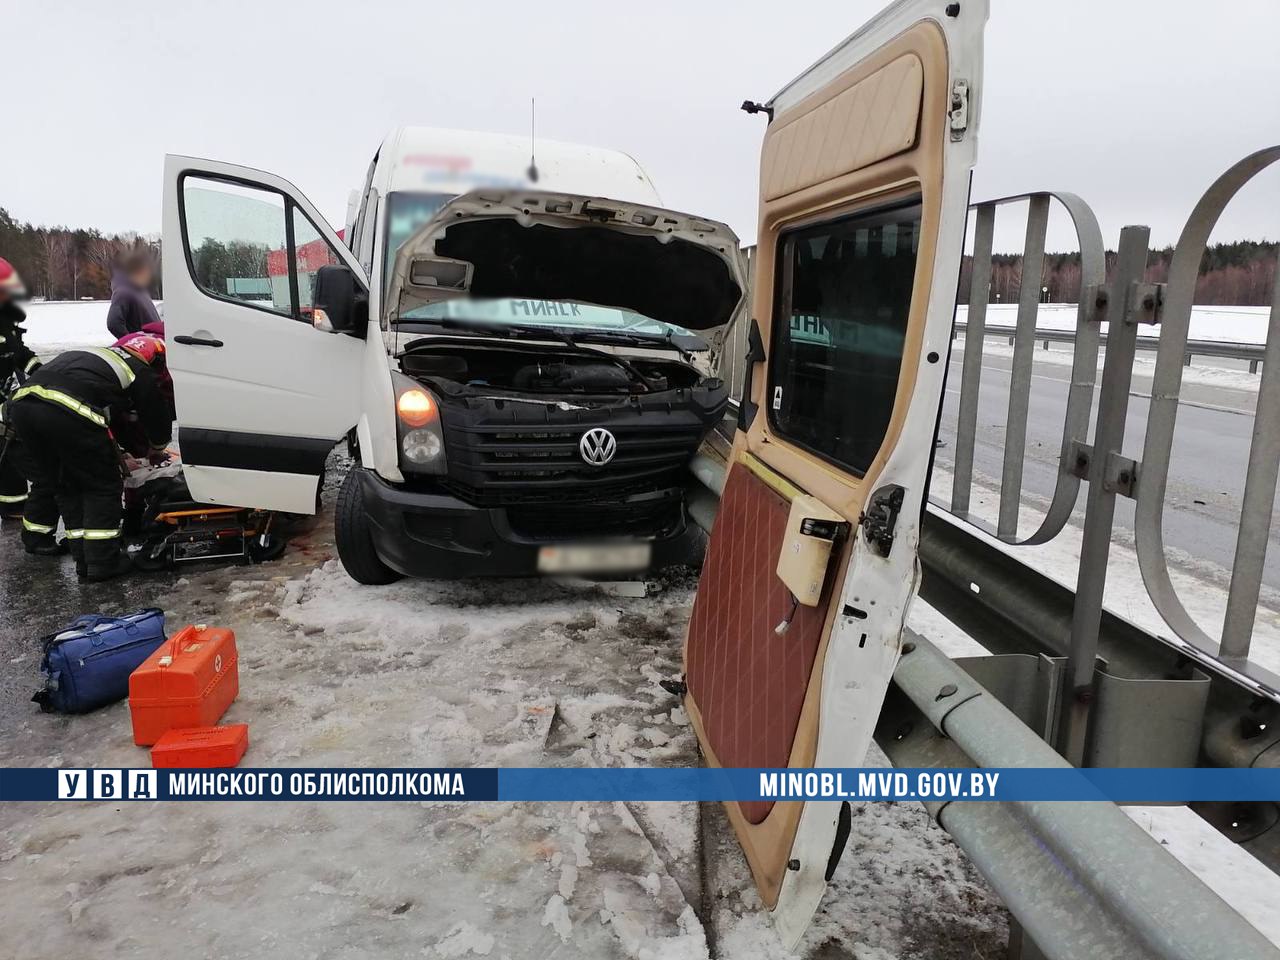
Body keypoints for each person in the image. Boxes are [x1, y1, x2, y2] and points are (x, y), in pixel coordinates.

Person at [5, 333, 172, 580]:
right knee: (101, 486)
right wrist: (157, 448)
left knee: (67, 485)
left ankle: (83, 558)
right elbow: (154, 413)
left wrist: (126, 450)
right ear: (154, 358)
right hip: (66, 408)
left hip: (22, 409)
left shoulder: (97, 356)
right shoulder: (138, 369)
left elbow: (116, 420)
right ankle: (104, 562)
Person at [0, 257, 40, 521]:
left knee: (10, 441)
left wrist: (40, 371)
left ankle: (14, 503)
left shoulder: (6, 317)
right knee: (6, 443)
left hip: (5, 392)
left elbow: (18, 352)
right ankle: (12, 505)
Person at [105, 249, 162, 339]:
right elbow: (113, 324)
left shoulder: (140, 290)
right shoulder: (123, 292)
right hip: (143, 348)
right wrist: (131, 342)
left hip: (156, 346)